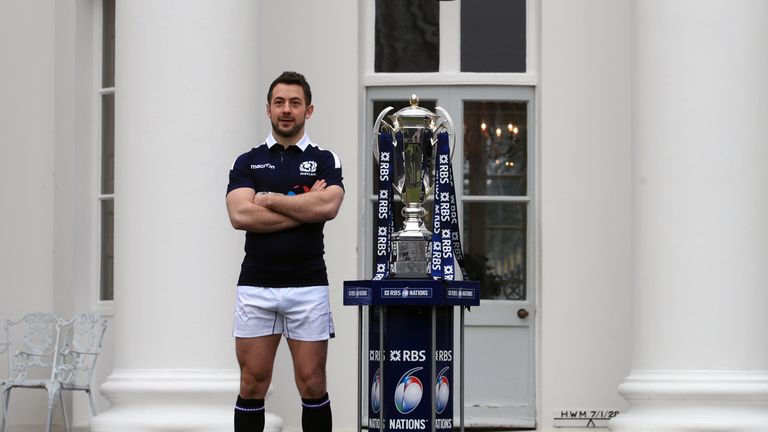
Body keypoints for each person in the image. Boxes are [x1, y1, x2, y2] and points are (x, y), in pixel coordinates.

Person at [226, 71, 344, 432]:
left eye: (295, 103)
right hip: (256, 286)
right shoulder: (248, 161)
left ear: (309, 110)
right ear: (268, 109)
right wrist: (304, 203)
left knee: (312, 383)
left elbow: (329, 207)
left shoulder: (325, 159)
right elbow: (239, 214)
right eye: (279, 103)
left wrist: (273, 201)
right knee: (252, 383)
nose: (287, 110)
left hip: (308, 286)